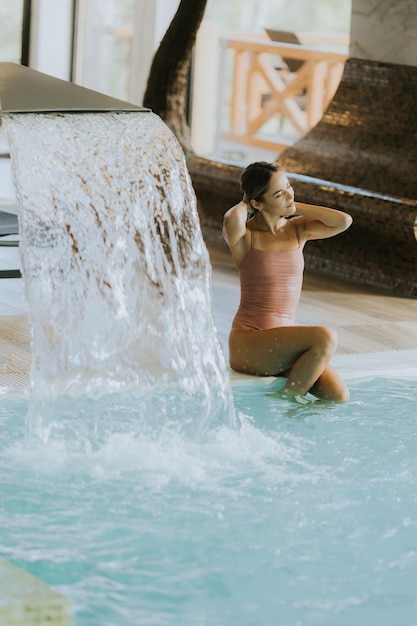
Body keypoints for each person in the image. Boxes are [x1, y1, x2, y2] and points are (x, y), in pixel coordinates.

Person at [222, 161, 353, 403]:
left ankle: (290, 412)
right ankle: (287, 403)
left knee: (337, 397)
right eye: (279, 193)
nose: (289, 194)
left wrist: (290, 206)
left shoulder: (297, 230)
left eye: (289, 186)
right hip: (249, 343)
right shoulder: (245, 236)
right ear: (257, 203)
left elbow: (343, 221)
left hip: (283, 345)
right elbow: (231, 219)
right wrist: (246, 199)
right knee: (325, 337)